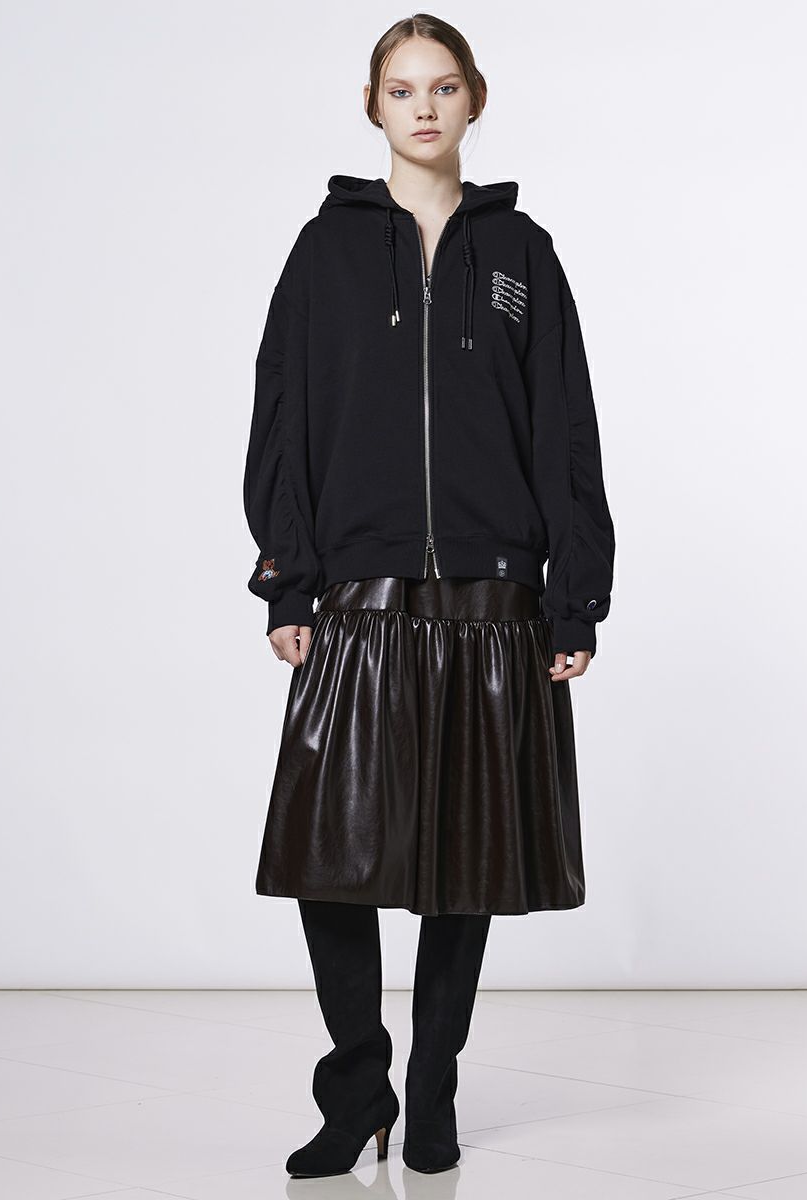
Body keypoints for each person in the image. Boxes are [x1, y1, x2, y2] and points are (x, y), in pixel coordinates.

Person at [242, 13, 616, 1180]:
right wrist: (286, 579)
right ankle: (359, 1084)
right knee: (329, 858)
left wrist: (573, 595)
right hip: (358, 591)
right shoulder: (324, 251)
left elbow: (563, 425)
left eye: (442, 87)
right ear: (373, 106)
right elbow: (283, 416)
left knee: (467, 864)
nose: (422, 108)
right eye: (402, 89)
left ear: (473, 100)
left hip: (493, 597)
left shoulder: (521, 254)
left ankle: (436, 1080)